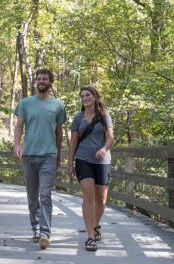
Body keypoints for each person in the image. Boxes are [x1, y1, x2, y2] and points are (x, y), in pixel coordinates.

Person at [13, 68, 67, 249]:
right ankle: (35, 228)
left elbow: (59, 132)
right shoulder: (26, 103)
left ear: (50, 82)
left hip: (48, 156)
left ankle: (45, 233)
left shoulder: (58, 106)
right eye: (38, 79)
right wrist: (17, 144)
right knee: (32, 197)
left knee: (45, 194)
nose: (41, 81)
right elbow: (19, 125)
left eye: (44, 78)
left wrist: (59, 154)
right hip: (29, 155)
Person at [67, 85, 113, 251]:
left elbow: (110, 138)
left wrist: (104, 149)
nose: (85, 98)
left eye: (88, 95)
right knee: (88, 198)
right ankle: (90, 236)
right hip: (83, 159)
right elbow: (73, 142)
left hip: (102, 161)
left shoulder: (104, 116)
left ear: (95, 96)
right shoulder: (78, 118)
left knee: (101, 200)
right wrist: (70, 163)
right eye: (82, 96)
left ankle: (96, 224)